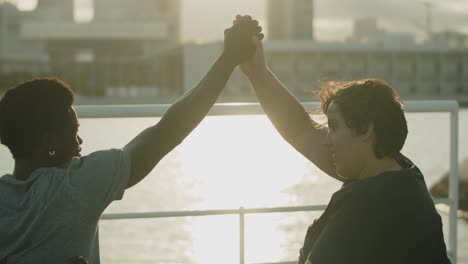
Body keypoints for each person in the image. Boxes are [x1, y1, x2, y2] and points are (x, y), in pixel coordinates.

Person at [0, 18, 262, 263]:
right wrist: (229, 59)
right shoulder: (75, 185)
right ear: (49, 142)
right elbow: (168, 131)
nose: (80, 141)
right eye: (73, 131)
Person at [235, 15, 451, 264]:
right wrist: (257, 73)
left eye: (334, 127)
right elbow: (302, 130)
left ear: (366, 130)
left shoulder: (367, 205)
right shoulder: (400, 173)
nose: (328, 140)